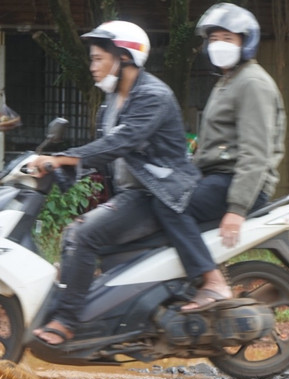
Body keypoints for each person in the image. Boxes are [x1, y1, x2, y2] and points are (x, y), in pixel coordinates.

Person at [28, 21, 200, 345]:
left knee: (81, 234)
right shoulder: (110, 104)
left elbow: (122, 143)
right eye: (92, 59)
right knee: (78, 234)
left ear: (123, 58)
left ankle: (66, 322)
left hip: (159, 194)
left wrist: (64, 157)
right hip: (134, 194)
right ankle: (98, 315)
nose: (92, 67)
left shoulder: (153, 95)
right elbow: (103, 159)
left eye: (98, 59)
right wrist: (60, 171)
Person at [152, 2, 286, 312]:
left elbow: (256, 152)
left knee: (169, 205)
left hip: (239, 183)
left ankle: (212, 281)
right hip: (220, 177)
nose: (219, 45)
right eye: (214, 39)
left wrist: (237, 208)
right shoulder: (228, 80)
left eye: (228, 38)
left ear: (245, 42)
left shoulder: (251, 83)